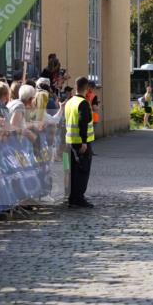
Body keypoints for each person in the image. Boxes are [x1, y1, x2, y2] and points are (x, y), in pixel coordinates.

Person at [64, 76, 95, 209]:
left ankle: (71, 197)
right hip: (80, 143)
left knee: (71, 171)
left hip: (69, 142)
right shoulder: (83, 103)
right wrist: (83, 142)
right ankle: (79, 198)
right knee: (82, 171)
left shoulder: (70, 102)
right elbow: (83, 122)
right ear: (87, 88)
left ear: (76, 87)